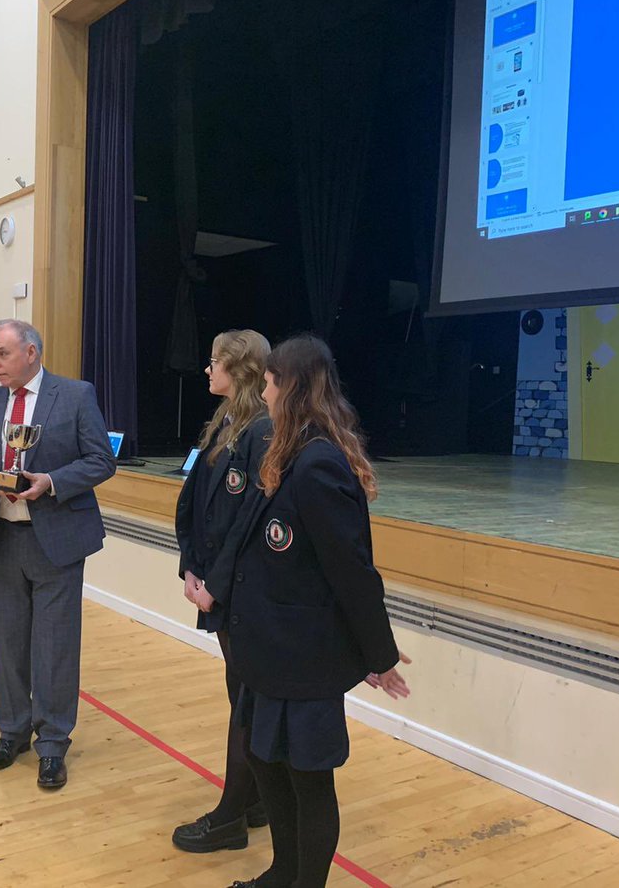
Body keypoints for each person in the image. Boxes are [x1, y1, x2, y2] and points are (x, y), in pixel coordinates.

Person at [214, 335, 410, 888]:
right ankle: (283, 872)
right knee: (267, 765)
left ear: (291, 388)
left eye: (272, 383)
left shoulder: (319, 464)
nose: (265, 392)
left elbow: (352, 573)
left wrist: (379, 653)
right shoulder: (288, 450)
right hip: (269, 653)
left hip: (303, 659)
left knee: (308, 782)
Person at [0, 319, 116, 790]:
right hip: (0, 538)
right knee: (4, 645)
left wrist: (52, 482)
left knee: (55, 646)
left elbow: (101, 459)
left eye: (1, 354)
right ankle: (13, 732)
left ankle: (52, 744)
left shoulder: (76, 395)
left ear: (30, 352)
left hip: (56, 540)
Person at [171, 330, 273, 853]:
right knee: (242, 696)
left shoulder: (262, 429)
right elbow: (197, 501)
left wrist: (216, 582)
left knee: (247, 702)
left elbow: (248, 521)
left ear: (241, 368)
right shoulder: (224, 422)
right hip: (213, 581)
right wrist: (190, 564)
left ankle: (232, 814)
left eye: (215, 361)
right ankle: (254, 800)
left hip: (238, 590)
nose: (207, 369)